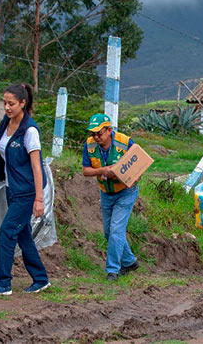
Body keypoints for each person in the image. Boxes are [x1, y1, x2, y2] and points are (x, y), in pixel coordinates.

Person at [0, 83, 50, 295]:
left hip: (27, 192)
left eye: (11, 104)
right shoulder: (5, 123)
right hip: (11, 189)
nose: (6, 107)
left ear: (23, 103)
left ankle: (3, 283)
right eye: (4, 103)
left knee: (7, 232)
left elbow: (36, 166)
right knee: (23, 235)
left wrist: (39, 199)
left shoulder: (30, 130)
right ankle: (41, 279)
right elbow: (2, 152)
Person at [82, 114, 140, 282]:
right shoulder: (90, 145)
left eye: (99, 133)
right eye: (93, 133)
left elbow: (140, 162)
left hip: (125, 192)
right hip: (106, 192)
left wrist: (134, 177)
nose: (96, 137)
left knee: (116, 229)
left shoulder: (125, 142)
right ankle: (130, 261)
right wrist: (103, 171)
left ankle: (112, 271)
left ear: (109, 130)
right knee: (108, 232)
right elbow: (86, 171)